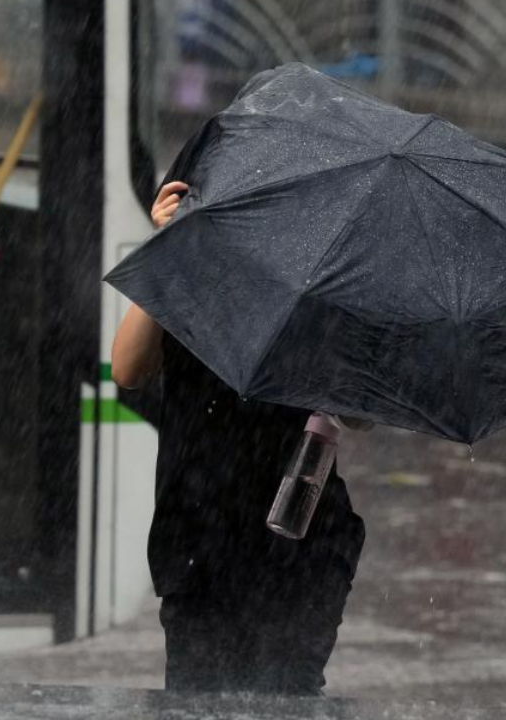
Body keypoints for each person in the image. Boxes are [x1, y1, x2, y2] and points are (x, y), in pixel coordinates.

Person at [112, 180, 366, 695]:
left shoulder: (320, 281)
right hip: (198, 544)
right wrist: (167, 248)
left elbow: (363, 413)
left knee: (286, 699)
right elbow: (128, 369)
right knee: (196, 701)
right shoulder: (189, 273)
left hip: (298, 545)